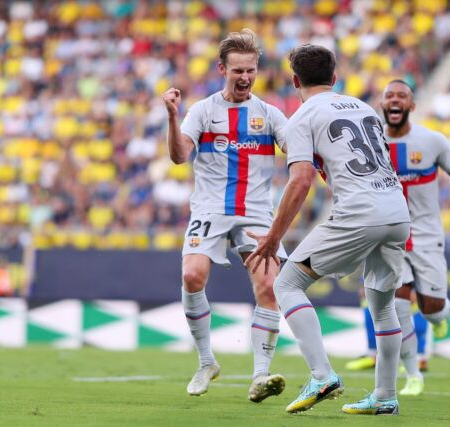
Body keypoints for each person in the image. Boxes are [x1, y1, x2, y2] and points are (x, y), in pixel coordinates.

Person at [246, 44, 411, 416]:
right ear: (334, 78)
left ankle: (322, 375)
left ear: (294, 81)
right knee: (382, 306)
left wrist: (274, 236)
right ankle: (385, 396)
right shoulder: (364, 107)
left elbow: (301, 179)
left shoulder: (302, 116)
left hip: (359, 210)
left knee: (286, 284)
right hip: (396, 209)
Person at [162, 29, 288, 402]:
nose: (245, 77)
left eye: (251, 70)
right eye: (238, 71)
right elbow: (179, 155)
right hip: (210, 210)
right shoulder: (202, 111)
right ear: (222, 69)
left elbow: (294, 150)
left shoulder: (269, 114)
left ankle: (260, 377)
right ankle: (206, 362)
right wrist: (172, 116)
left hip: (255, 214)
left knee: (268, 286)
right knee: (191, 275)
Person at [378, 79, 450, 396]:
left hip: (427, 235)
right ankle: (413, 374)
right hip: (389, 237)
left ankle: (439, 315)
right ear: (383, 105)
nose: (395, 100)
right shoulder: (371, 142)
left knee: (431, 308)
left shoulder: (431, 141)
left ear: (411, 106)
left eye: (402, 96)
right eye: (390, 96)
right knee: (398, 306)